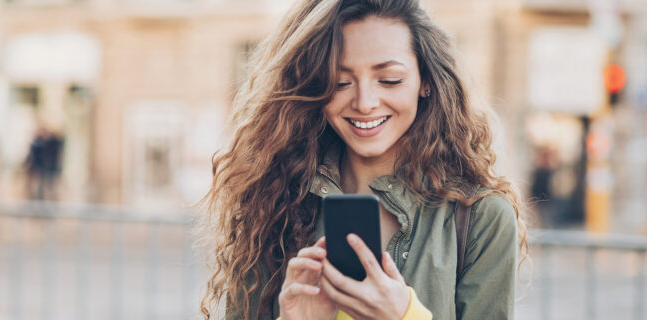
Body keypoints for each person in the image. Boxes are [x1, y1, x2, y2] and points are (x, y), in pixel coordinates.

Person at [198, 1, 527, 319]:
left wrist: (403, 318)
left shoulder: (481, 218)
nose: (365, 102)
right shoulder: (274, 197)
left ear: (425, 81)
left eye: (389, 79)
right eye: (340, 82)